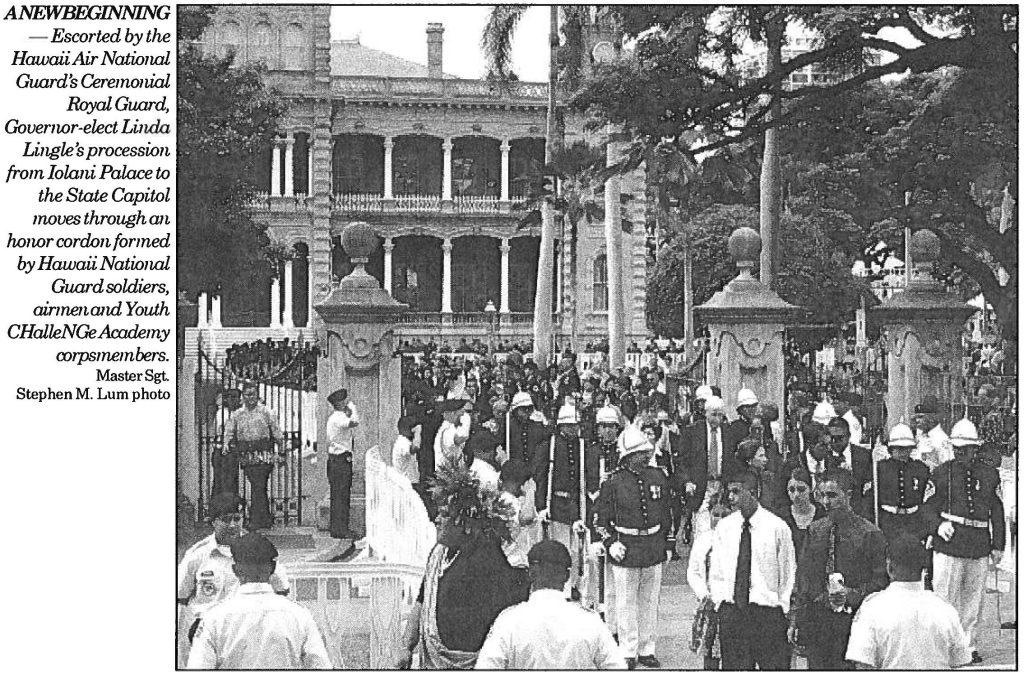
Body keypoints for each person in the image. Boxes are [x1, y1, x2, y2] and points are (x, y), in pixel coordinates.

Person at [394, 461, 521, 669]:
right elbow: (422, 598)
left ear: (465, 523)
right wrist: (406, 646)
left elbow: (501, 621)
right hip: (433, 663)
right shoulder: (438, 553)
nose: (436, 519)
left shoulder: (486, 559)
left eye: (444, 514)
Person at [923, 418, 1005, 664]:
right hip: (949, 543)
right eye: (957, 448)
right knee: (944, 599)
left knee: (972, 602)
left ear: (975, 449)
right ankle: (943, 646)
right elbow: (927, 508)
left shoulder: (990, 475)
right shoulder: (941, 472)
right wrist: (938, 525)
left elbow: (997, 512)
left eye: (966, 449)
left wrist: (998, 544)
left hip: (978, 542)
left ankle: (967, 647)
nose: (961, 453)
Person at [789, 468, 888, 670]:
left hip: (854, 621)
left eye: (833, 495)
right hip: (819, 620)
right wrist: (796, 618)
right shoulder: (816, 530)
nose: (826, 502)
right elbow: (804, 578)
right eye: (822, 495)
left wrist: (853, 594)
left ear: (848, 495)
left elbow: (881, 581)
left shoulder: (869, 534)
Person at [186, 533, 331, 669]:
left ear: (235, 570)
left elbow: (198, 667)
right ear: (273, 568)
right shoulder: (299, 615)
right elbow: (320, 665)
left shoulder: (214, 618)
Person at [177, 494, 290, 667]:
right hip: (207, 635)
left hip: (247, 635)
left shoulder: (257, 550)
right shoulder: (197, 555)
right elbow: (181, 599)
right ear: (212, 521)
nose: (232, 525)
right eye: (225, 519)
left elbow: (282, 590)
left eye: (237, 519)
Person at [475, 541, 625, 670]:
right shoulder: (591, 622)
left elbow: (487, 666)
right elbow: (617, 667)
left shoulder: (509, 621)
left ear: (530, 573)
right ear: (566, 576)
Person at [594, 426, 671, 669]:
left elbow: (667, 512)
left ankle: (647, 649)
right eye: (640, 452)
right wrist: (609, 542)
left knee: (649, 601)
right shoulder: (614, 482)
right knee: (626, 602)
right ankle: (628, 650)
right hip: (625, 547)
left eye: (647, 450)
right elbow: (599, 520)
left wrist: (668, 542)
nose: (646, 455)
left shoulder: (658, 476)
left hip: (652, 546)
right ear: (628, 456)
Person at [707, 469, 795, 670]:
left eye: (736, 491)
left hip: (767, 613)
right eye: (729, 492)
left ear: (753, 492)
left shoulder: (777, 527)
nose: (730, 497)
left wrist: (782, 607)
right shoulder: (725, 528)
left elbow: (788, 572)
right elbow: (717, 570)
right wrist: (721, 602)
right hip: (733, 612)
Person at [845, 534, 972, 669]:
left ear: (890, 568)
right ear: (924, 570)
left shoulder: (871, 609)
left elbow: (863, 664)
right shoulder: (945, 610)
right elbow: (961, 661)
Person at [536, 404, 599, 597]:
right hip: (557, 504)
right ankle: (562, 588)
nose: (572, 429)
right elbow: (541, 477)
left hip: (577, 504)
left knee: (578, 550)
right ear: (561, 426)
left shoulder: (583, 447)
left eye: (574, 425)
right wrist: (541, 506)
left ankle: (577, 586)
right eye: (568, 425)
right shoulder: (548, 446)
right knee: (560, 548)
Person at [224, 381, 283, 530]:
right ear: (243, 396)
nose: (251, 398)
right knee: (258, 486)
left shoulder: (266, 412)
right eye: (247, 395)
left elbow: (276, 432)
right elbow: (230, 431)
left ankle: (256, 519)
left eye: (253, 394)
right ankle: (265, 517)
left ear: (258, 395)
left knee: (259, 483)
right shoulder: (237, 414)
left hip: (264, 453)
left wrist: (281, 450)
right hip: (247, 455)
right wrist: (227, 443)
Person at [687, 500, 734, 669]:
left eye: (725, 515)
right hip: (709, 603)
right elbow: (693, 572)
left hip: (731, 604)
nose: (720, 519)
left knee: (733, 652)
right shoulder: (703, 541)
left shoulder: (738, 539)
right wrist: (704, 594)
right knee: (709, 653)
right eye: (716, 515)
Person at [876, 421, 931, 544]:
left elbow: (924, 499)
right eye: (899, 448)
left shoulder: (920, 469)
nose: (903, 452)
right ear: (891, 449)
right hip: (888, 521)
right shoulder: (880, 468)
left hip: (913, 522)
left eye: (907, 448)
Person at [825, 416, 875, 521]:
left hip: (860, 514)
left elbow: (870, 489)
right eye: (832, 438)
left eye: (840, 438)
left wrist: (862, 514)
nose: (835, 442)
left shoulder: (864, 456)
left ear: (848, 436)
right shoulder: (824, 457)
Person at [326, 387, 360, 539]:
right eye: (345, 400)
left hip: (337, 460)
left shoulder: (336, 417)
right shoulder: (338, 417)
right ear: (340, 403)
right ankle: (340, 529)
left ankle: (339, 528)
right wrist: (353, 408)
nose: (347, 402)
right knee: (341, 495)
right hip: (340, 460)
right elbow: (354, 422)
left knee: (339, 495)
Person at [779, 467, 824, 555]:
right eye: (792, 490)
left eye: (801, 489)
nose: (796, 495)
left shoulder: (821, 513)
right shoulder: (782, 515)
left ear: (810, 489)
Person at [211, 387, 242, 497]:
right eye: (229, 397)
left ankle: (231, 509)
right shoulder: (222, 413)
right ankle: (220, 509)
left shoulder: (238, 413)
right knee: (221, 481)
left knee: (232, 480)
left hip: (233, 450)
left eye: (235, 397)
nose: (232, 400)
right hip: (221, 450)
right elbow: (217, 431)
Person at [913, 400, 953, 470]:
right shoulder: (919, 436)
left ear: (931, 418)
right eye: (916, 417)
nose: (917, 420)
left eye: (921, 417)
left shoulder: (942, 439)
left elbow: (947, 466)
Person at [434, 398, 472, 470]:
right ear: (450, 413)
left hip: (449, 466)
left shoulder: (450, 426)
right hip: (446, 468)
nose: (461, 416)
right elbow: (456, 442)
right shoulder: (447, 429)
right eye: (457, 415)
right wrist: (467, 437)